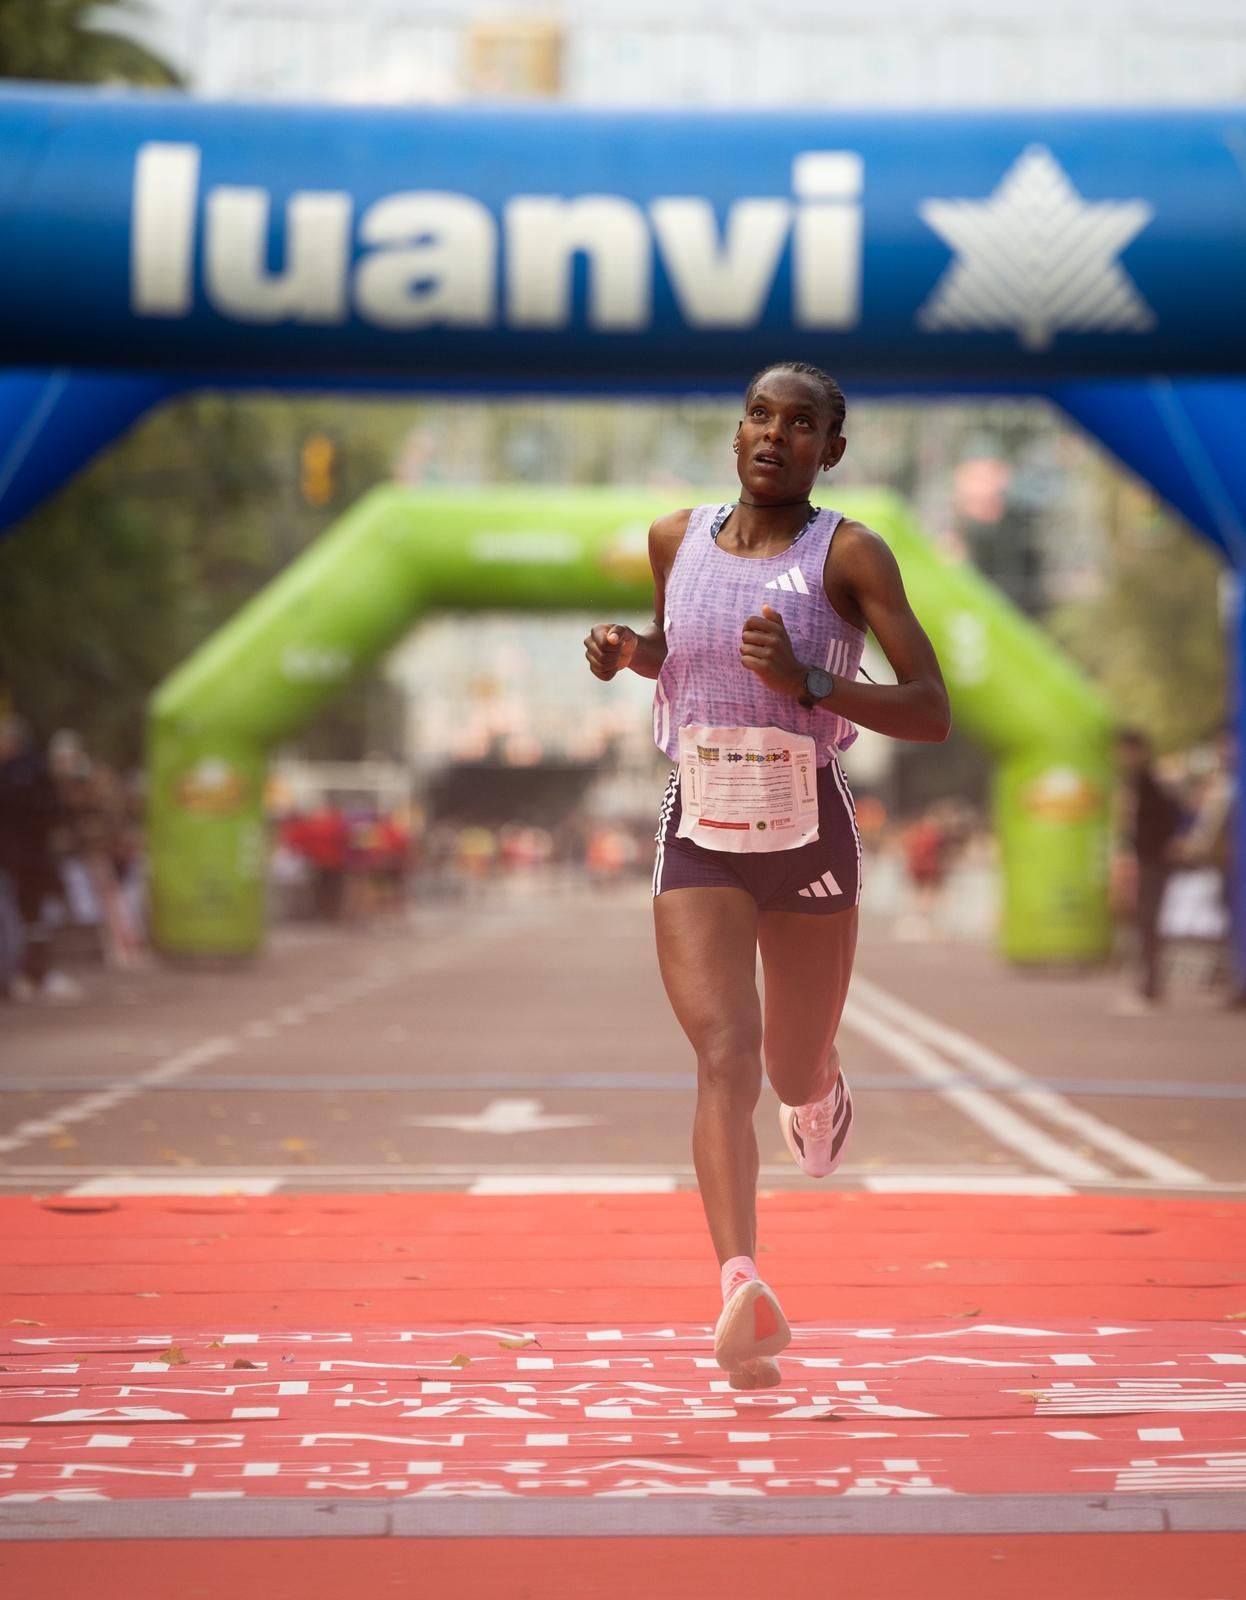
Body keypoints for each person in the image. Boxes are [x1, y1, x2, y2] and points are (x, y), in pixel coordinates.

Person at [584, 362, 950, 1389]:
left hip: (807, 826)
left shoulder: (852, 555)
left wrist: (814, 681)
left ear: (829, 449)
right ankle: (739, 1287)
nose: (773, 435)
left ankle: (821, 1090)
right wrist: (631, 650)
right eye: (758, 414)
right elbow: (682, 649)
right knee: (722, 1055)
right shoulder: (676, 539)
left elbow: (929, 706)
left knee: (788, 1067)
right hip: (698, 818)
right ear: (736, 430)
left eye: (800, 424)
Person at [1113, 728, 1185, 1013]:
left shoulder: (1149, 782)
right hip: (1148, 858)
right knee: (1145, 922)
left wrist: (1162, 844)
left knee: (1148, 921)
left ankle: (1151, 986)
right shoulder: (1140, 781)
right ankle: (1149, 984)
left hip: (1152, 860)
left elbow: (1169, 814)